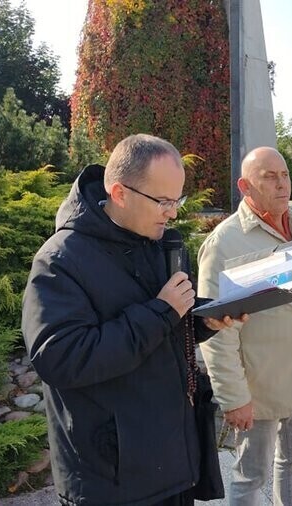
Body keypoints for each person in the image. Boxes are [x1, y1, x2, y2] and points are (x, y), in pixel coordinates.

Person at [22, 134, 238, 505]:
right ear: (120, 193)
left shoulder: (161, 245)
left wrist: (202, 320)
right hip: (113, 480)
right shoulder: (60, 260)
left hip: (174, 463)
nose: (173, 212)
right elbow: (61, 359)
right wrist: (162, 311)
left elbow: (162, 328)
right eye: (164, 201)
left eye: (178, 199)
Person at [197, 147, 292, 505]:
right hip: (258, 386)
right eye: (269, 177)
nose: (282, 184)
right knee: (250, 475)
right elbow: (216, 331)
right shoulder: (226, 244)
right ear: (246, 186)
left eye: (285, 175)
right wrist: (234, 397)